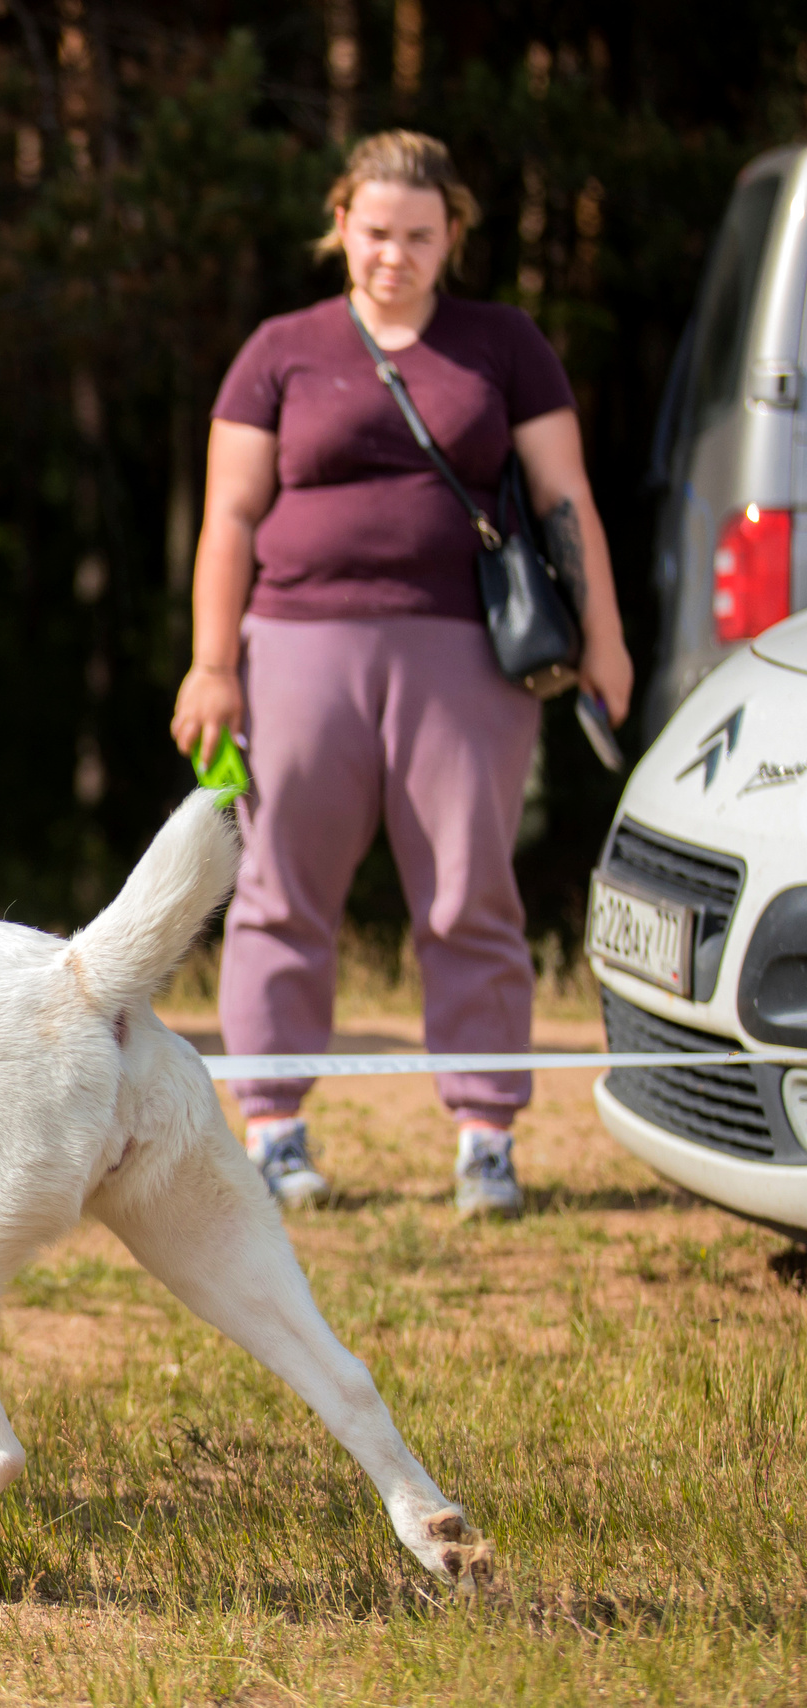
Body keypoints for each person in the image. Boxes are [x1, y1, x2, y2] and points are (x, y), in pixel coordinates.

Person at [169, 130, 634, 1220]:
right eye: (375, 232)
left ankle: (485, 1138)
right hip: (295, 645)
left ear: (453, 237)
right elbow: (228, 515)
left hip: (463, 652)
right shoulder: (277, 348)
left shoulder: (503, 344)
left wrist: (605, 639)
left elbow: (564, 498)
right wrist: (210, 662)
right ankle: (271, 1129)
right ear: (340, 225)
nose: (394, 255)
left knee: (472, 889)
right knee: (281, 889)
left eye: (418, 236)